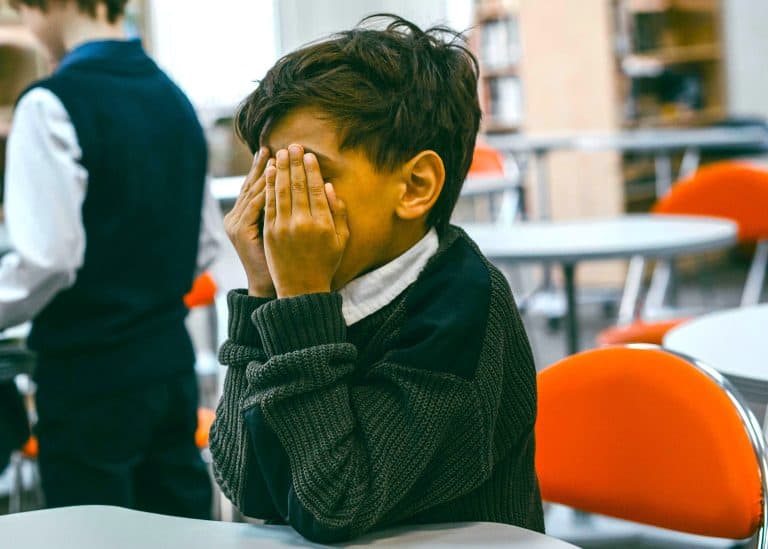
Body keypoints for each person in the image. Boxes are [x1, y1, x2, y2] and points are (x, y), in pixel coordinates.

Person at [210, 14, 543, 543]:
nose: (278, 207)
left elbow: (338, 504)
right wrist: (262, 294)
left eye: (308, 175)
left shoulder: (461, 303)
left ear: (414, 186)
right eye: (270, 175)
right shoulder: (321, 286)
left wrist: (299, 302)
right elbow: (244, 482)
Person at [2, 0, 220, 517]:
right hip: (169, 364)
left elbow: (47, 261)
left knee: (93, 534)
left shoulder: (49, 104)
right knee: (179, 530)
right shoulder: (173, 96)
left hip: (88, 379)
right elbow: (206, 242)